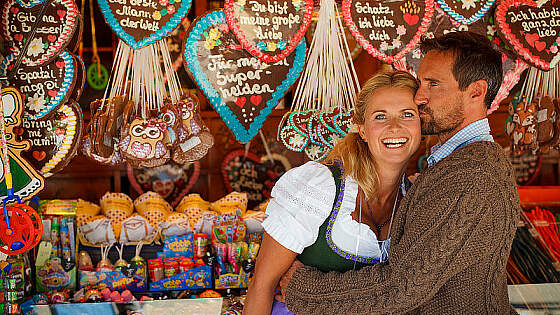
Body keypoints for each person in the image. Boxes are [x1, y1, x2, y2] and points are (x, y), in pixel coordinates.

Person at [277, 31, 522, 314]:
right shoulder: (460, 165)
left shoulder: (472, 174)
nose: (419, 97)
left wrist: (303, 288)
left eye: (433, 84)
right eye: (421, 83)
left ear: (476, 92)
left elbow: (401, 288)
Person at [243, 70, 422, 314]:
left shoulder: (416, 197)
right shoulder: (319, 187)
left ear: (421, 125)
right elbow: (261, 286)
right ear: (362, 129)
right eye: (380, 116)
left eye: (407, 114)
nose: (394, 127)